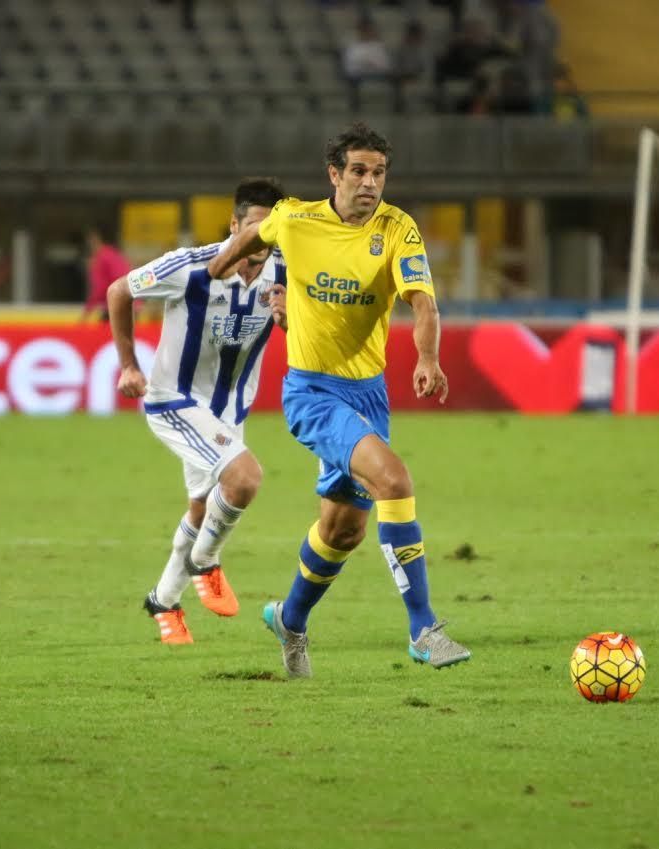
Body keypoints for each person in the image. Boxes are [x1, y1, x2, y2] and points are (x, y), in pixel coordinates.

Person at [206, 123, 471, 678]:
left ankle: (289, 619)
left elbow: (422, 301)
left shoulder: (397, 228)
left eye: (378, 172)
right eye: (358, 171)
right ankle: (423, 629)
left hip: (369, 394)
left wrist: (426, 358)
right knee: (394, 480)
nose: (369, 183)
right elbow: (255, 237)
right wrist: (215, 267)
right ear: (334, 173)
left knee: (343, 529)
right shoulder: (297, 218)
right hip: (311, 391)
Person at [107, 178, 287, 645]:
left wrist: (293, 317)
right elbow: (118, 291)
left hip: (230, 409)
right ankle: (205, 560)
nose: (259, 243)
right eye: (253, 230)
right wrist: (129, 365)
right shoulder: (188, 266)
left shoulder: (286, 272)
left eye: (270, 234)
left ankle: (163, 602)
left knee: (202, 505)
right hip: (175, 402)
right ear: (234, 225)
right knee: (245, 478)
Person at [80, 226, 130, 323]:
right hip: (130, 302)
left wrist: (87, 312)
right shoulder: (114, 254)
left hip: (118, 303)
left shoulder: (101, 258)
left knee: (105, 334)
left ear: (95, 239)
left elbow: (100, 288)